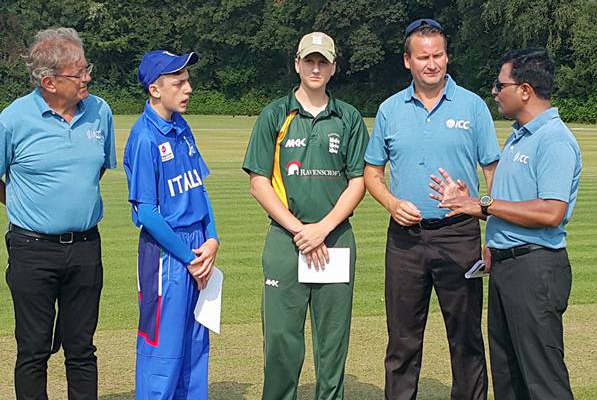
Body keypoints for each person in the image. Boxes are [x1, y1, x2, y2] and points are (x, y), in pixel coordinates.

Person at [364, 18, 500, 400]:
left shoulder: (473, 107)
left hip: (460, 236)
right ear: (407, 60)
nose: (432, 63)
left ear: (447, 57)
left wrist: (495, 235)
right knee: (403, 341)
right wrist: (391, 203)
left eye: (438, 55)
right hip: (405, 241)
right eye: (423, 56)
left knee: (466, 338)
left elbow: (494, 172)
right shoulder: (390, 109)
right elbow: (372, 172)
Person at [433, 49, 581, 400]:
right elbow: (509, 205)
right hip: (505, 266)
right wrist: (472, 204)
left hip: (535, 268)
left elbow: (551, 212)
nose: (495, 92)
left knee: (543, 381)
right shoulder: (518, 135)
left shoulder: (554, 140)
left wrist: (483, 203)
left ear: (525, 90)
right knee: (508, 376)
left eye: (500, 85)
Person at [242, 32, 369, 400]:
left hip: (335, 239)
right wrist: (301, 230)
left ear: (333, 67)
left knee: (332, 342)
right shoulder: (275, 114)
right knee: (281, 340)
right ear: (297, 64)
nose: (315, 68)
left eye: (323, 62)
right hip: (286, 240)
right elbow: (259, 183)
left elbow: (358, 181)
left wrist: (323, 229)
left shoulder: (348, 118)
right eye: (309, 61)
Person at [0, 27, 116, 399]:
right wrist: (24, 204)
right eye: (78, 72)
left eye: (86, 68)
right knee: (33, 350)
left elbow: (95, 170)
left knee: (82, 348)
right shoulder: (13, 119)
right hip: (32, 249)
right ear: (49, 82)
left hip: (85, 247)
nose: (88, 78)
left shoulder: (100, 112)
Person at [123, 50, 219, 400]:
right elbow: (147, 213)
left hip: (197, 249)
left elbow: (198, 185)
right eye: (179, 83)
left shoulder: (182, 126)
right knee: (162, 354)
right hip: (167, 255)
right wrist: (190, 258)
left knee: (195, 350)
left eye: (188, 80)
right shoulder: (144, 137)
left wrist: (212, 238)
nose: (188, 88)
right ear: (155, 90)